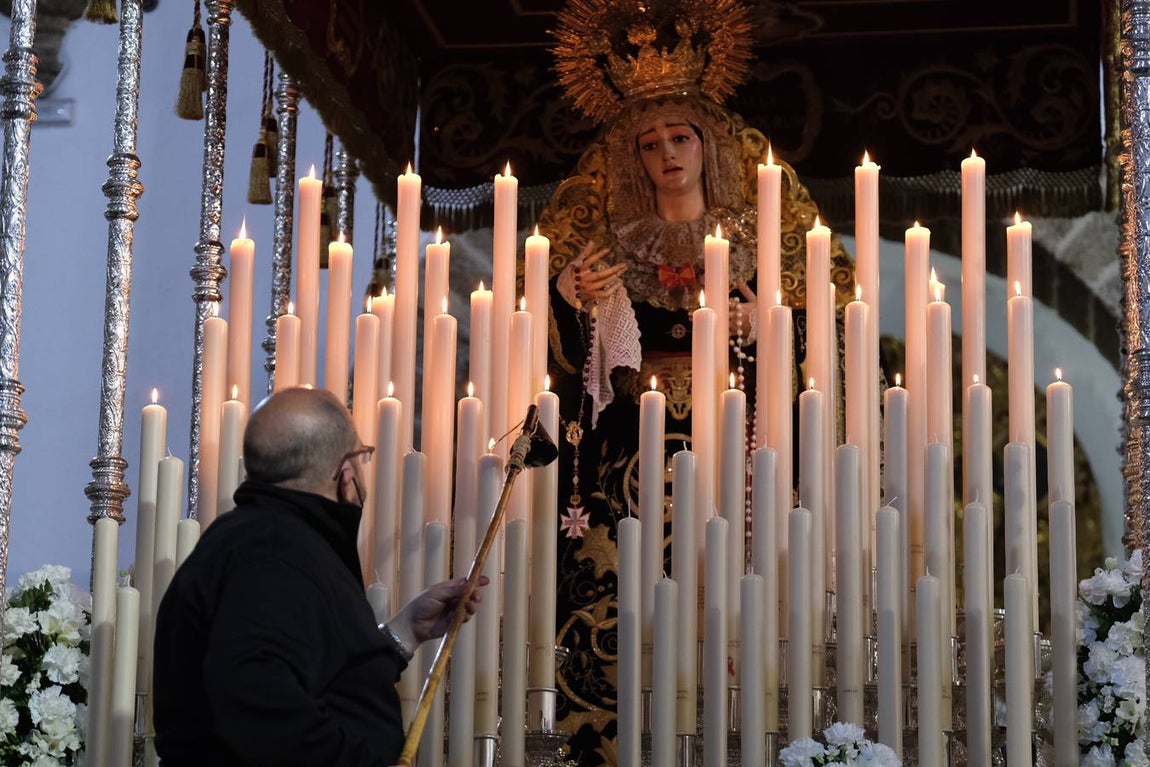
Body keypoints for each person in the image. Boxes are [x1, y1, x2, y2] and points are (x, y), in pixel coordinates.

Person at [539, 2, 856, 762]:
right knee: (623, 611)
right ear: (633, 160)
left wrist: (765, 325)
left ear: (709, 147)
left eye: (680, 138)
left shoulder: (762, 236)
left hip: (734, 457)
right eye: (649, 144)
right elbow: (568, 367)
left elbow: (827, 325)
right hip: (627, 472)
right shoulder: (609, 247)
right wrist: (570, 295)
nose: (666, 154)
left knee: (739, 607)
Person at [153, 387, 484, 766]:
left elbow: (317, 675)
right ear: (345, 471)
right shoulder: (274, 552)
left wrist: (404, 631)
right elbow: (253, 695)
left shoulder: (261, 541)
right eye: (362, 456)